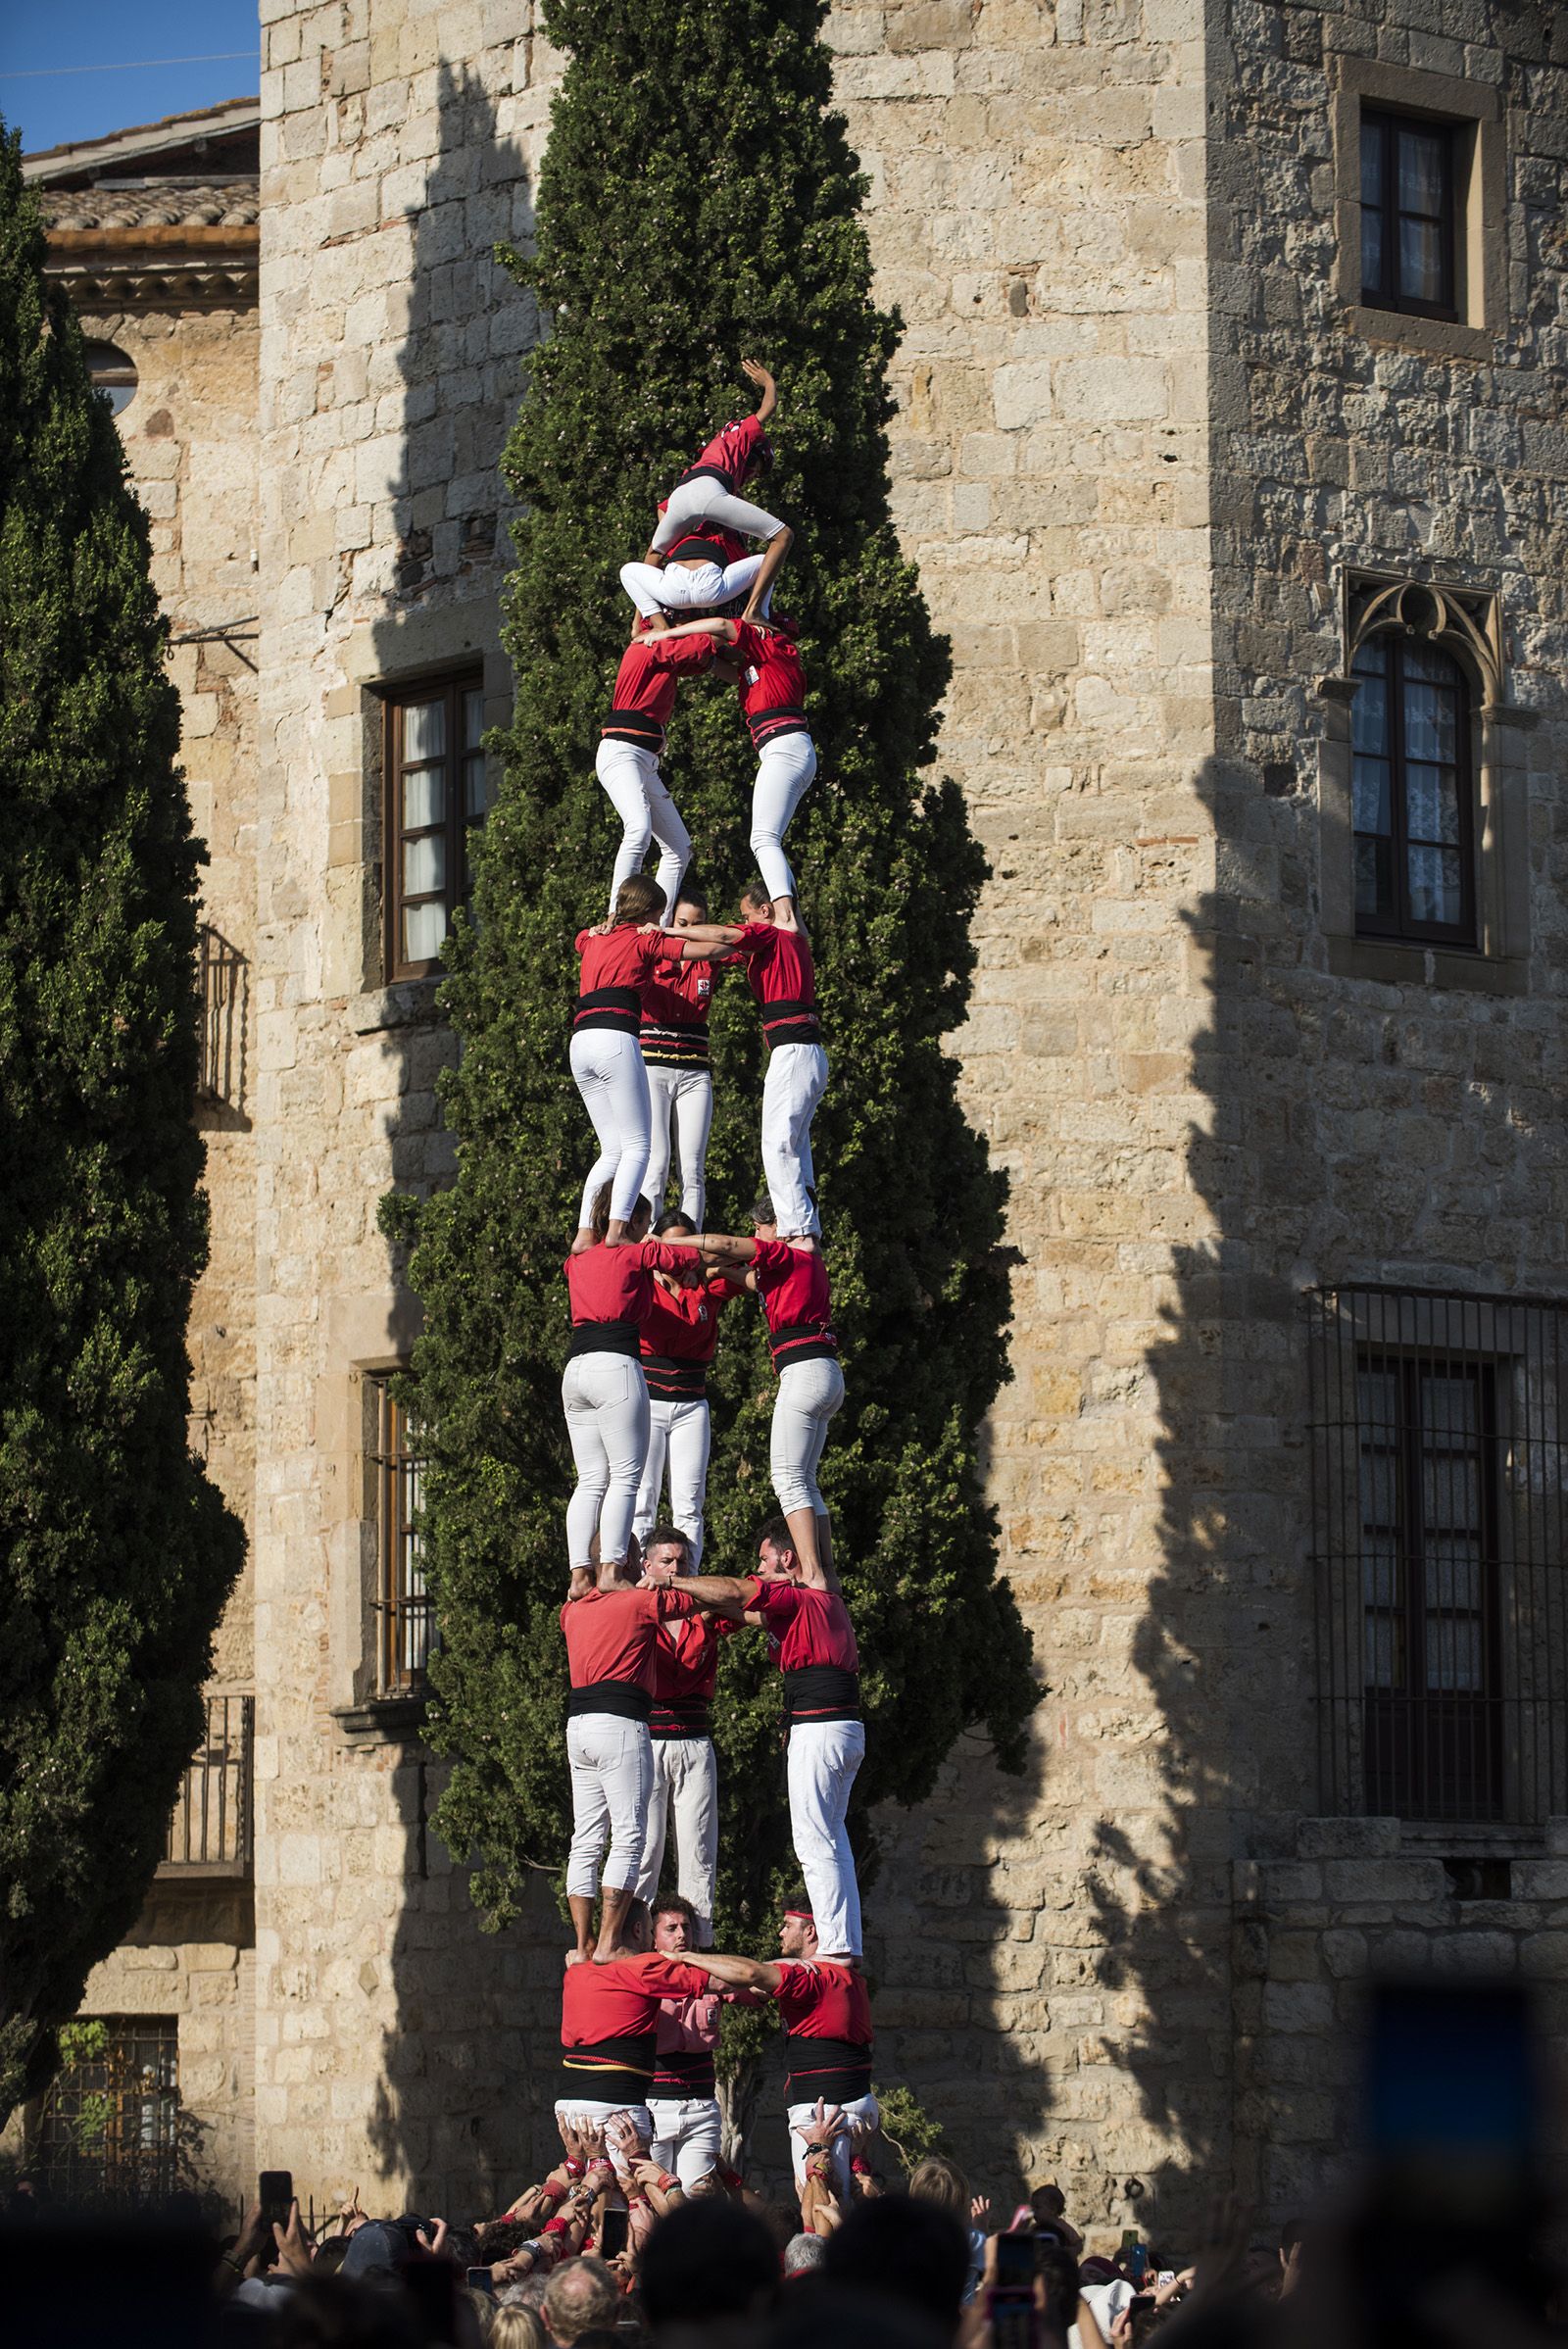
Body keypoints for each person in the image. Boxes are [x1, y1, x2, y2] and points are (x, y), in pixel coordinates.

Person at [646, 1521, 862, 1958]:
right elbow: (743, 1608)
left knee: (814, 1841)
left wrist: (675, 1583)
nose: (757, 1569)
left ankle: (836, 1947)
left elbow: (738, 1595)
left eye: (763, 1560)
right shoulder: (821, 1597)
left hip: (818, 1727)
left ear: (786, 1559)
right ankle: (844, 1942)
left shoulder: (795, 1593)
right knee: (832, 1840)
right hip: (838, 1727)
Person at [562, 1556, 705, 1960]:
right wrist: (665, 1579)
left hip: (578, 1726)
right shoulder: (636, 1603)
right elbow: (695, 1600)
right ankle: (608, 1943)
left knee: (586, 1838)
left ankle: (582, 1943)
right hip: (621, 1723)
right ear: (624, 1564)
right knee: (629, 1835)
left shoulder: (572, 1608)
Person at [562, 1188, 704, 1591]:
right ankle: (609, 1571)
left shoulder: (578, 1260)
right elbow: (687, 1258)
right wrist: (651, 1243)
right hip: (616, 1364)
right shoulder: (633, 1252)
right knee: (626, 1477)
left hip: (576, 1369)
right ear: (636, 1223)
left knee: (589, 1479)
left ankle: (578, 1576)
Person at [692, 1203, 842, 1582]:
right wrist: (719, 1270)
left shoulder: (787, 1251)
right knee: (805, 1480)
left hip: (804, 1372)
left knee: (788, 1480)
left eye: (759, 1228)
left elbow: (726, 1243)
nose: (756, 1235)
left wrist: (662, 1243)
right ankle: (826, 1571)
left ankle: (811, 1573)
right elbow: (752, 1281)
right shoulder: (800, 1263)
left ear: (779, 1226)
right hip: (824, 1371)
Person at [691, 1902, 877, 2198]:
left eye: (788, 1925)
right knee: (846, 2197)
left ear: (811, 1931)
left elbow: (751, 1973)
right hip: (850, 2100)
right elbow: (749, 1989)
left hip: (824, 2111)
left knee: (818, 2201)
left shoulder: (811, 1976)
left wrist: (684, 1957)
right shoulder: (843, 1976)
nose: (780, 1932)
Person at [645, 615, 816, 914]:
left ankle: (786, 918)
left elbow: (723, 626)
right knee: (770, 839)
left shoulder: (771, 644)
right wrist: (707, 659)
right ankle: (793, 917)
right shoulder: (767, 662)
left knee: (764, 839)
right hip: (790, 749)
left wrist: (669, 633)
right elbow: (731, 671)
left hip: (783, 748)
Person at [622, 361, 793, 629]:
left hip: (682, 494)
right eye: (753, 470)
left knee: (654, 553)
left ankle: (640, 622)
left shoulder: (712, 449)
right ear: (752, 453)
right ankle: (755, 611)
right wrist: (769, 383)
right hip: (709, 490)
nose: (749, 477)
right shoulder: (742, 436)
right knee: (782, 536)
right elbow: (768, 408)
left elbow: (663, 511)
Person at [634, 1534, 735, 1937]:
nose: (675, 1568)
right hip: (650, 1739)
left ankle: (699, 1948)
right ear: (648, 1565)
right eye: (667, 1561)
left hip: (695, 1740)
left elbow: (739, 1602)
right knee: (644, 1850)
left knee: (699, 1854)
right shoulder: (636, 1610)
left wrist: (681, 1588)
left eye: (682, 1561)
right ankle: (635, 1943)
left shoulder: (704, 1614)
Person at [556, 1896, 712, 2138]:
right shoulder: (643, 1967)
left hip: (576, 2098)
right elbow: (724, 1982)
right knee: (632, 2174)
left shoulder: (579, 1968)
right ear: (641, 1931)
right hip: (627, 2100)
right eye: (663, 1930)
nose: (681, 1935)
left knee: (592, 2173)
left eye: (686, 1928)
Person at [595, 621, 717, 922]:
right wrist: (722, 629)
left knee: (679, 847)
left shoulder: (663, 655)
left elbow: (702, 661)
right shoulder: (646, 647)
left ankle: (657, 925)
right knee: (637, 828)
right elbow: (702, 645)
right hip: (622, 752)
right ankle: (616, 917)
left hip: (644, 760)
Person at [631, 1229, 737, 1570]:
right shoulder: (642, 1280)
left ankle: (688, 1578)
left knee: (689, 1503)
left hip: (692, 1405)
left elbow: (744, 1260)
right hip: (649, 1402)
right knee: (641, 1498)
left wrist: (699, 1259)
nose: (675, 1252)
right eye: (669, 1243)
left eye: (685, 1242)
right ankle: (638, 1575)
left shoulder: (707, 1285)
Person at [640, 894, 719, 1228]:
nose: (689, 930)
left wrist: (703, 935)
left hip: (694, 1073)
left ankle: (693, 1246)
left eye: (697, 924)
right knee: (656, 1162)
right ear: (669, 921)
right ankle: (650, 1244)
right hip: (653, 1068)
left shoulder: (710, 957)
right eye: (682, 924)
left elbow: (741, 942)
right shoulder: (652, 953)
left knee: (693, 1167)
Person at [643, 1893, 725, 2191]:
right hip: (654, 2105)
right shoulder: (640, 1975)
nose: (681, 1935)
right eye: (671, 1928)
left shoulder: (710, 1976)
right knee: (654, 2197)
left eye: (687, 1928)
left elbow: (757, 1987)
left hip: (701, 2104)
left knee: (695, 2194)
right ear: (653, 1937)